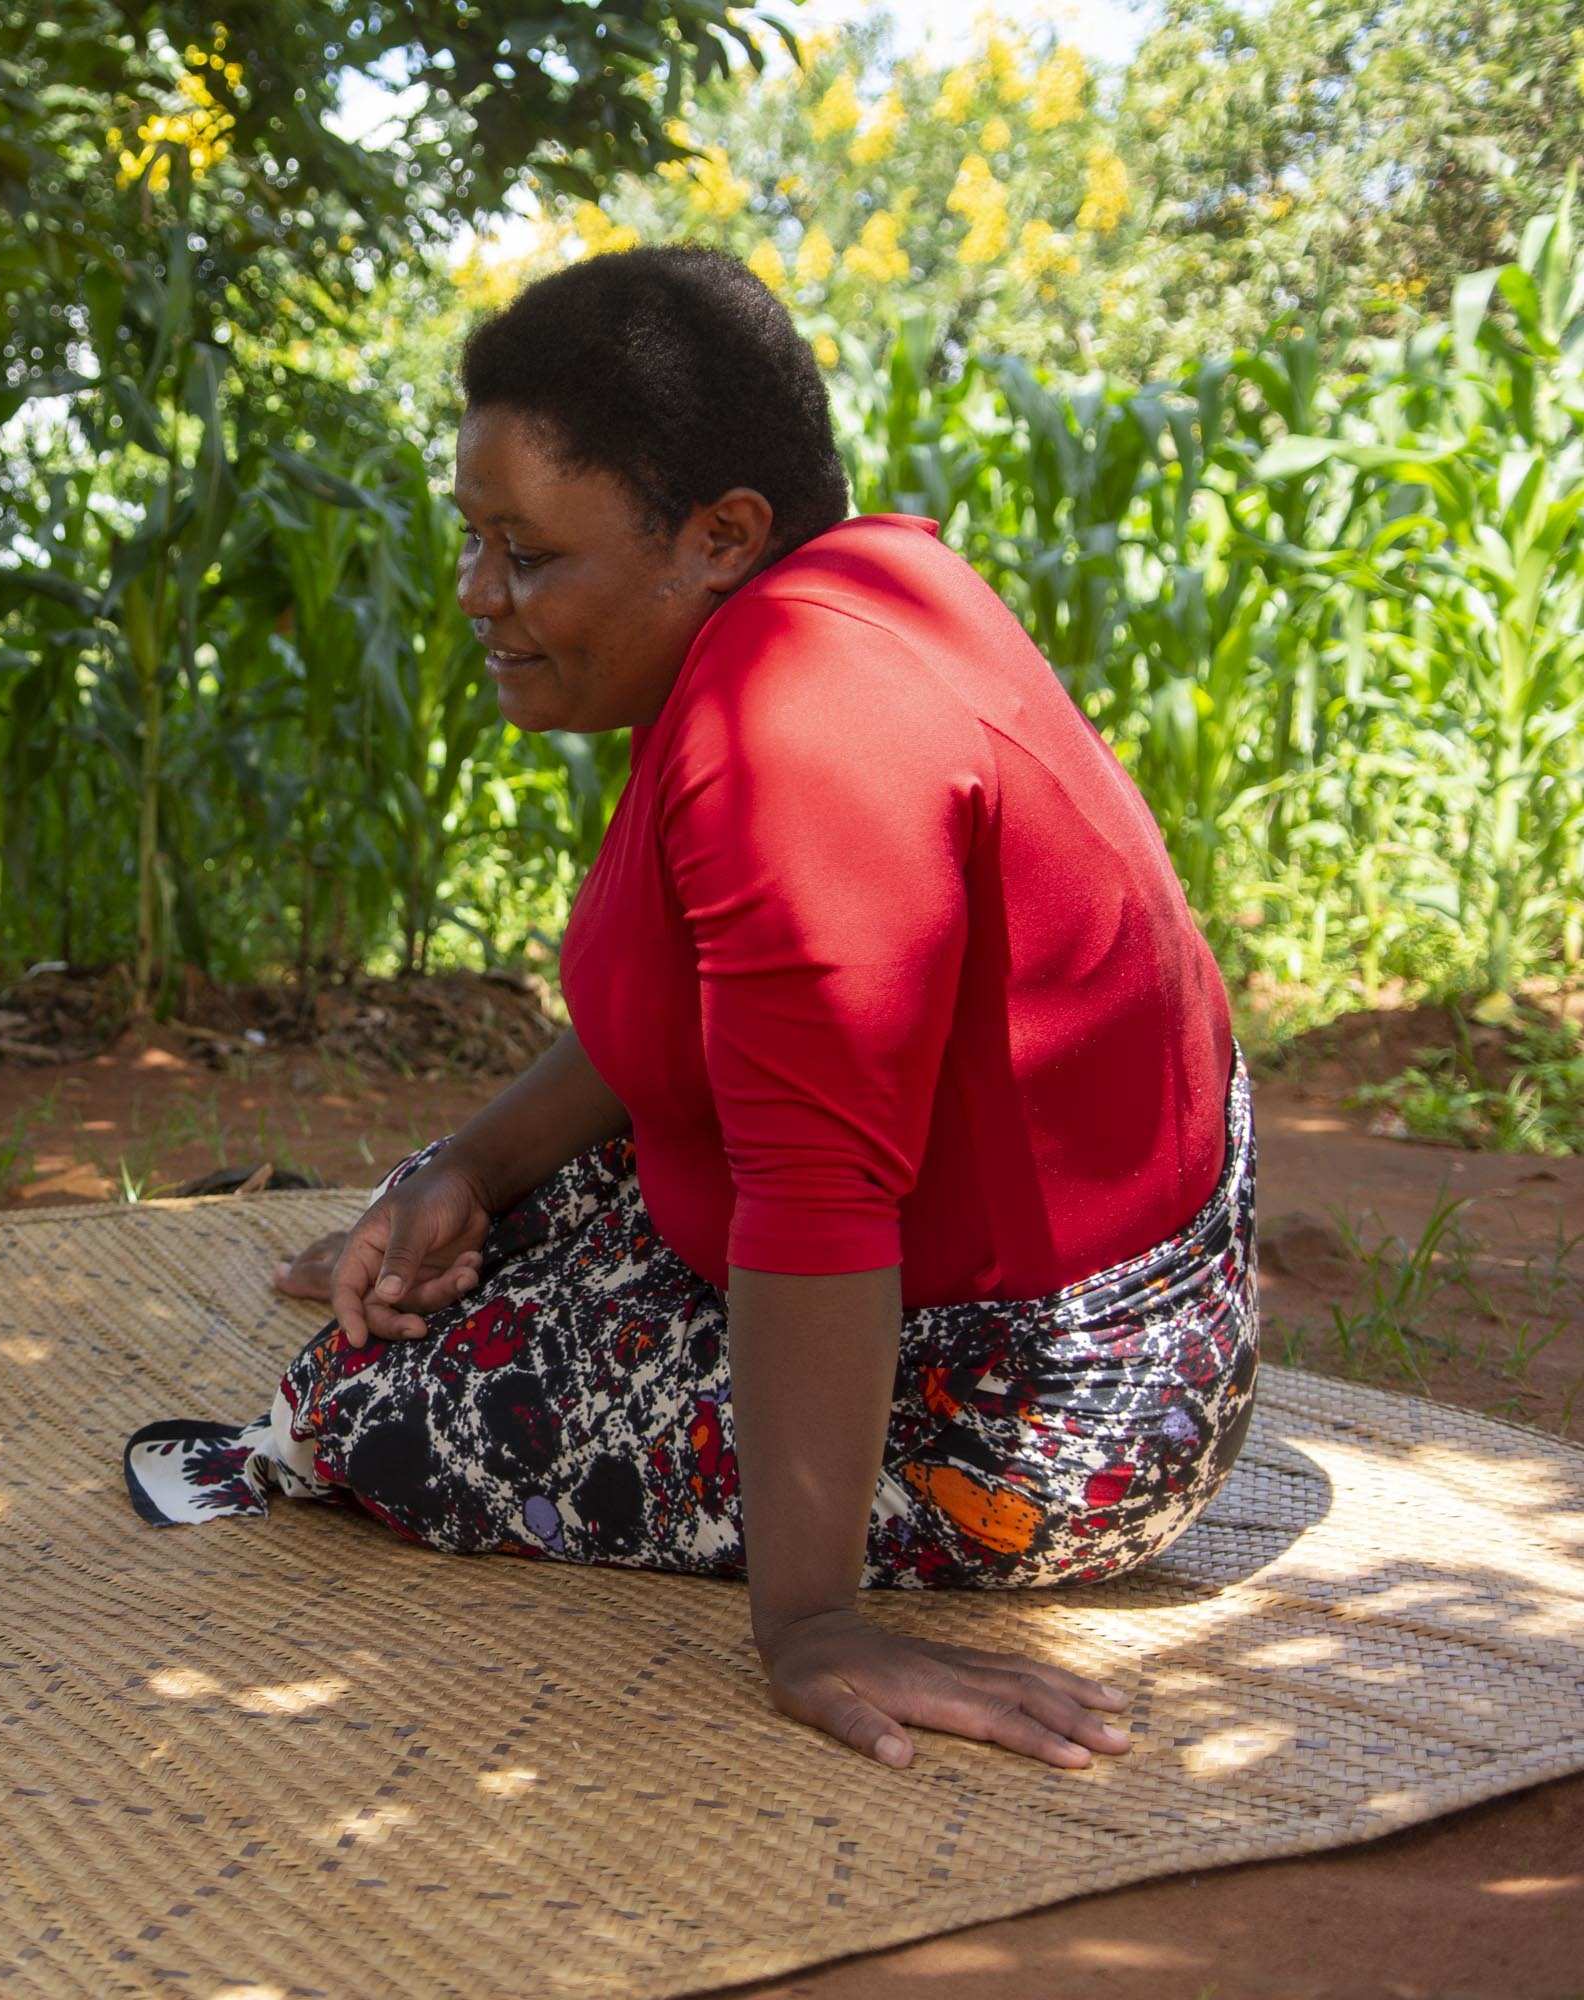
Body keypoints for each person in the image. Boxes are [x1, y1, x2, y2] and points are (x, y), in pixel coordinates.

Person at [127, 248, 1255, 1774]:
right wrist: (462, 1169)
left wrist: (812, 1622)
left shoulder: (796, 736)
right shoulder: (846, 592)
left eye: (527, 556)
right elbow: (705, 1011)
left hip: (1056, 1397)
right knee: (463, 1256)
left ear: (723, 535)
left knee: (365, 1410)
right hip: (1060, 1248)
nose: (478, 596)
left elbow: (819, 1198)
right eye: (475, 543)